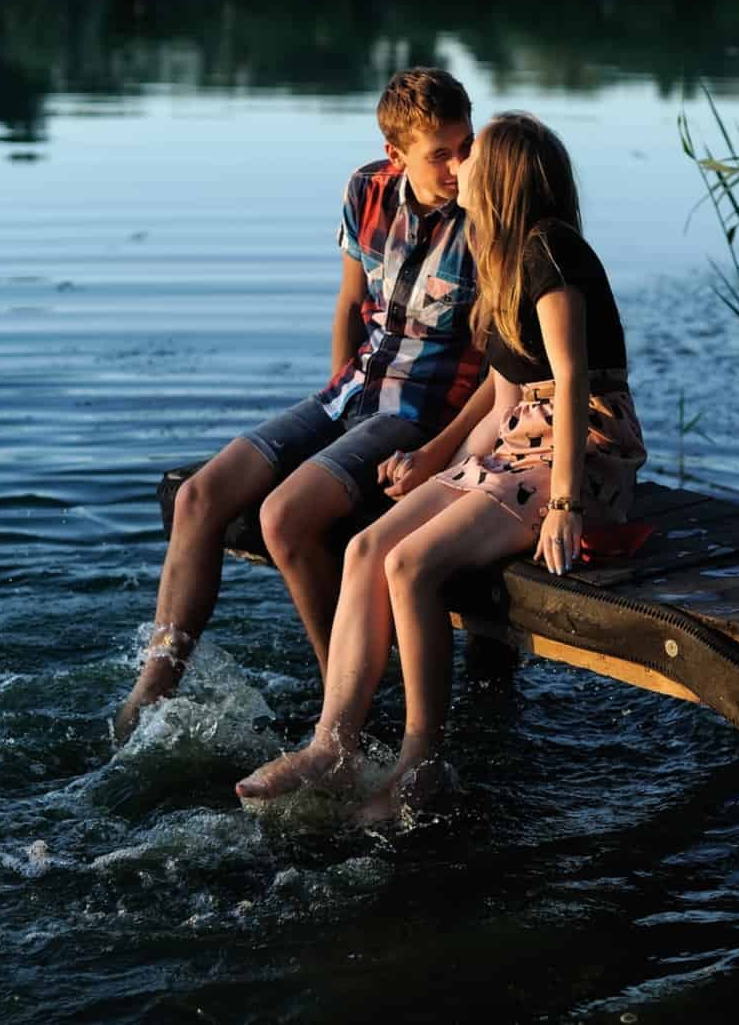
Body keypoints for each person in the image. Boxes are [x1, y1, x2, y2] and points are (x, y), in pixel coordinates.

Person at [235, 112, 647, 823]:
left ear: (506, 177)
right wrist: (440, 473)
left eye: (474, 160)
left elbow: (574, 380)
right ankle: (334, 743)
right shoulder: (502, 258)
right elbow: (503, 404)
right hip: (521, 445)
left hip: (584, 451)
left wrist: (566, 506)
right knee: (370, 547)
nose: (460, 170)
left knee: (410, 566)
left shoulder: (553, 252)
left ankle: (419, 765)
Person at [114, 68, 493, 741]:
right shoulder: (365, 189)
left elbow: (504, 365)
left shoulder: (488, 216)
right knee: (198, 498)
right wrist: (331, 435)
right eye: (442, 153)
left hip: (419, 413)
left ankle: (344, 706)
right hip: (348, 392)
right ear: (396, 152)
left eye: (465, 145)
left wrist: (439, 455)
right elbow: (351, 305)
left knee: (285, 517)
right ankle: (153, 689)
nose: (460, 165)